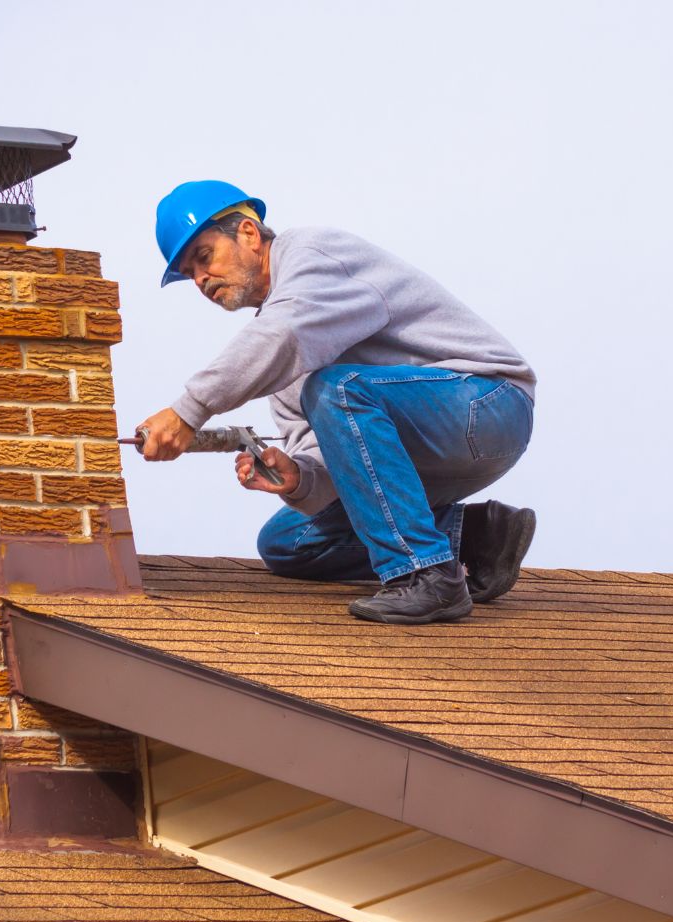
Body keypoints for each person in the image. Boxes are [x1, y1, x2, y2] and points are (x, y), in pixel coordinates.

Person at [136, 181, 537, 625]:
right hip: (426, 452)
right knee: (290, 541)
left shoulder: (313, 254)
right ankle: (475, 539)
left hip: (488, 405)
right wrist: (299, 479)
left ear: (248, 233)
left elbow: (286, 333)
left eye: (204, 257)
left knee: (339, 389)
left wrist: (188, 411)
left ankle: (427, 576)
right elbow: (331, 456)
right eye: (190, 274)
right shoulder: (282, 359)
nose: (200, 279)